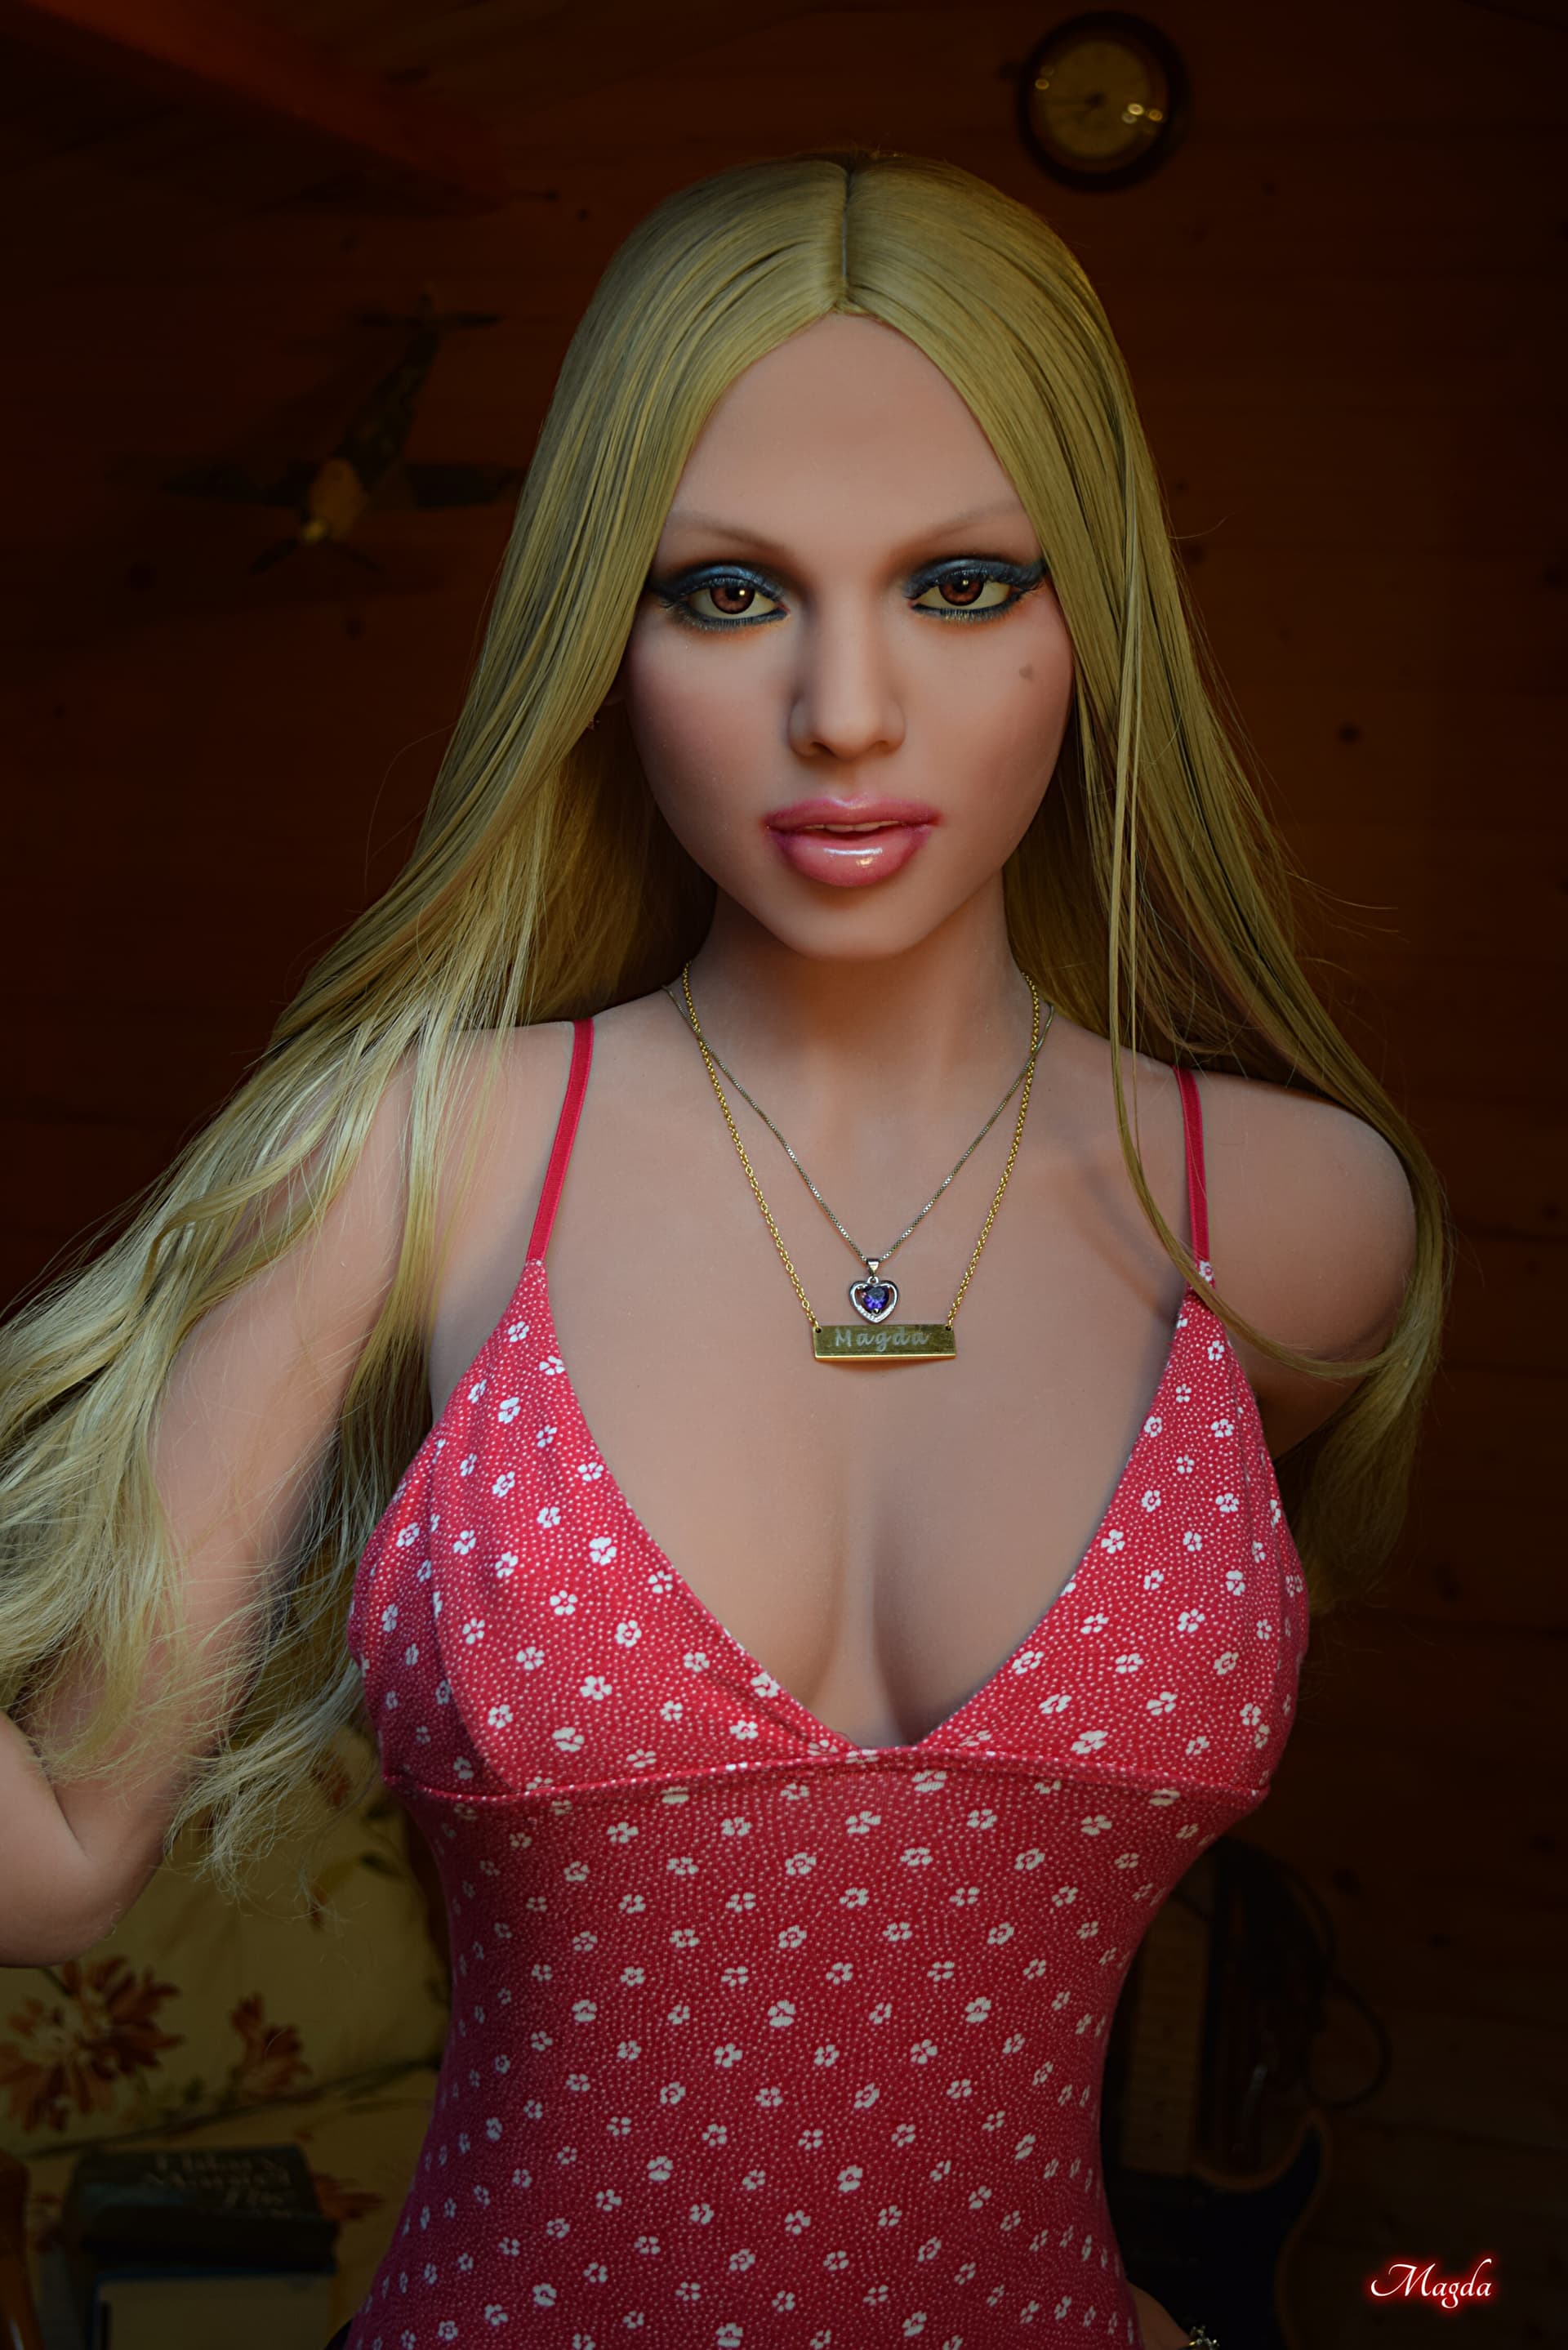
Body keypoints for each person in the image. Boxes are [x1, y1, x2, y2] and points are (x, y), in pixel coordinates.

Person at [1, 152, 1442, 2349]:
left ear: (1095, 622)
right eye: (730, 591)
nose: (846, 709)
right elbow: (57, 1859)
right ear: (603, 634)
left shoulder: (1301, 1225)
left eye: (960, 583)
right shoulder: (408, 1155)